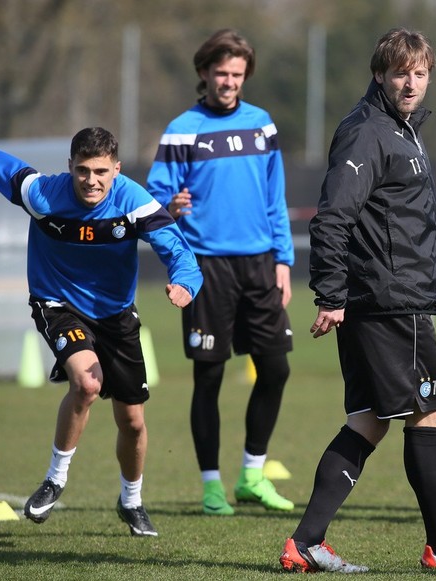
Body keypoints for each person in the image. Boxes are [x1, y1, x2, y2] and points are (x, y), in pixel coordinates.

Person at [279, 28, 436, 572]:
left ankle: (306, 542)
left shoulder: (400, 130)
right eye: (401, 72)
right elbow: (334, 218)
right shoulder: (367, 133)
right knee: (428, 414)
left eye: (421, 73)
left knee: (369, 418)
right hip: (388, 300)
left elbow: (411, 203)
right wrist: (331, 294)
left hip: (385, 297)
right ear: (380, 74)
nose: (411, 83)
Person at [0, 127, 203, 536]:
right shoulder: (41, 194)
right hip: (56, 304)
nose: (91, 180)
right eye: (82, 170)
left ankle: (131, 501)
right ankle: (55, 479)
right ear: (70, 167)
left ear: (116, 169)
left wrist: (185, 282)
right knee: (86, 382)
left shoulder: (134, 202)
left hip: (115, 314)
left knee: (132, 421)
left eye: (100, 171)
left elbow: (177, 249)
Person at [146, 28, 294, 516]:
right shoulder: (181, 130)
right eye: (221, 73)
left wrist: (284, 261)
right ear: (204, 73)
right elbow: (154, 203)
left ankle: (253, 474)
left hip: (259, 265)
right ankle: (211, 486)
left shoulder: (263, 125)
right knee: (208, 377)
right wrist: (172, 205)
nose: (229, 82)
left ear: (245, 75)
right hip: (205, 267)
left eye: (237, 74)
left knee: (275, 368)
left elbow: (275, 199)